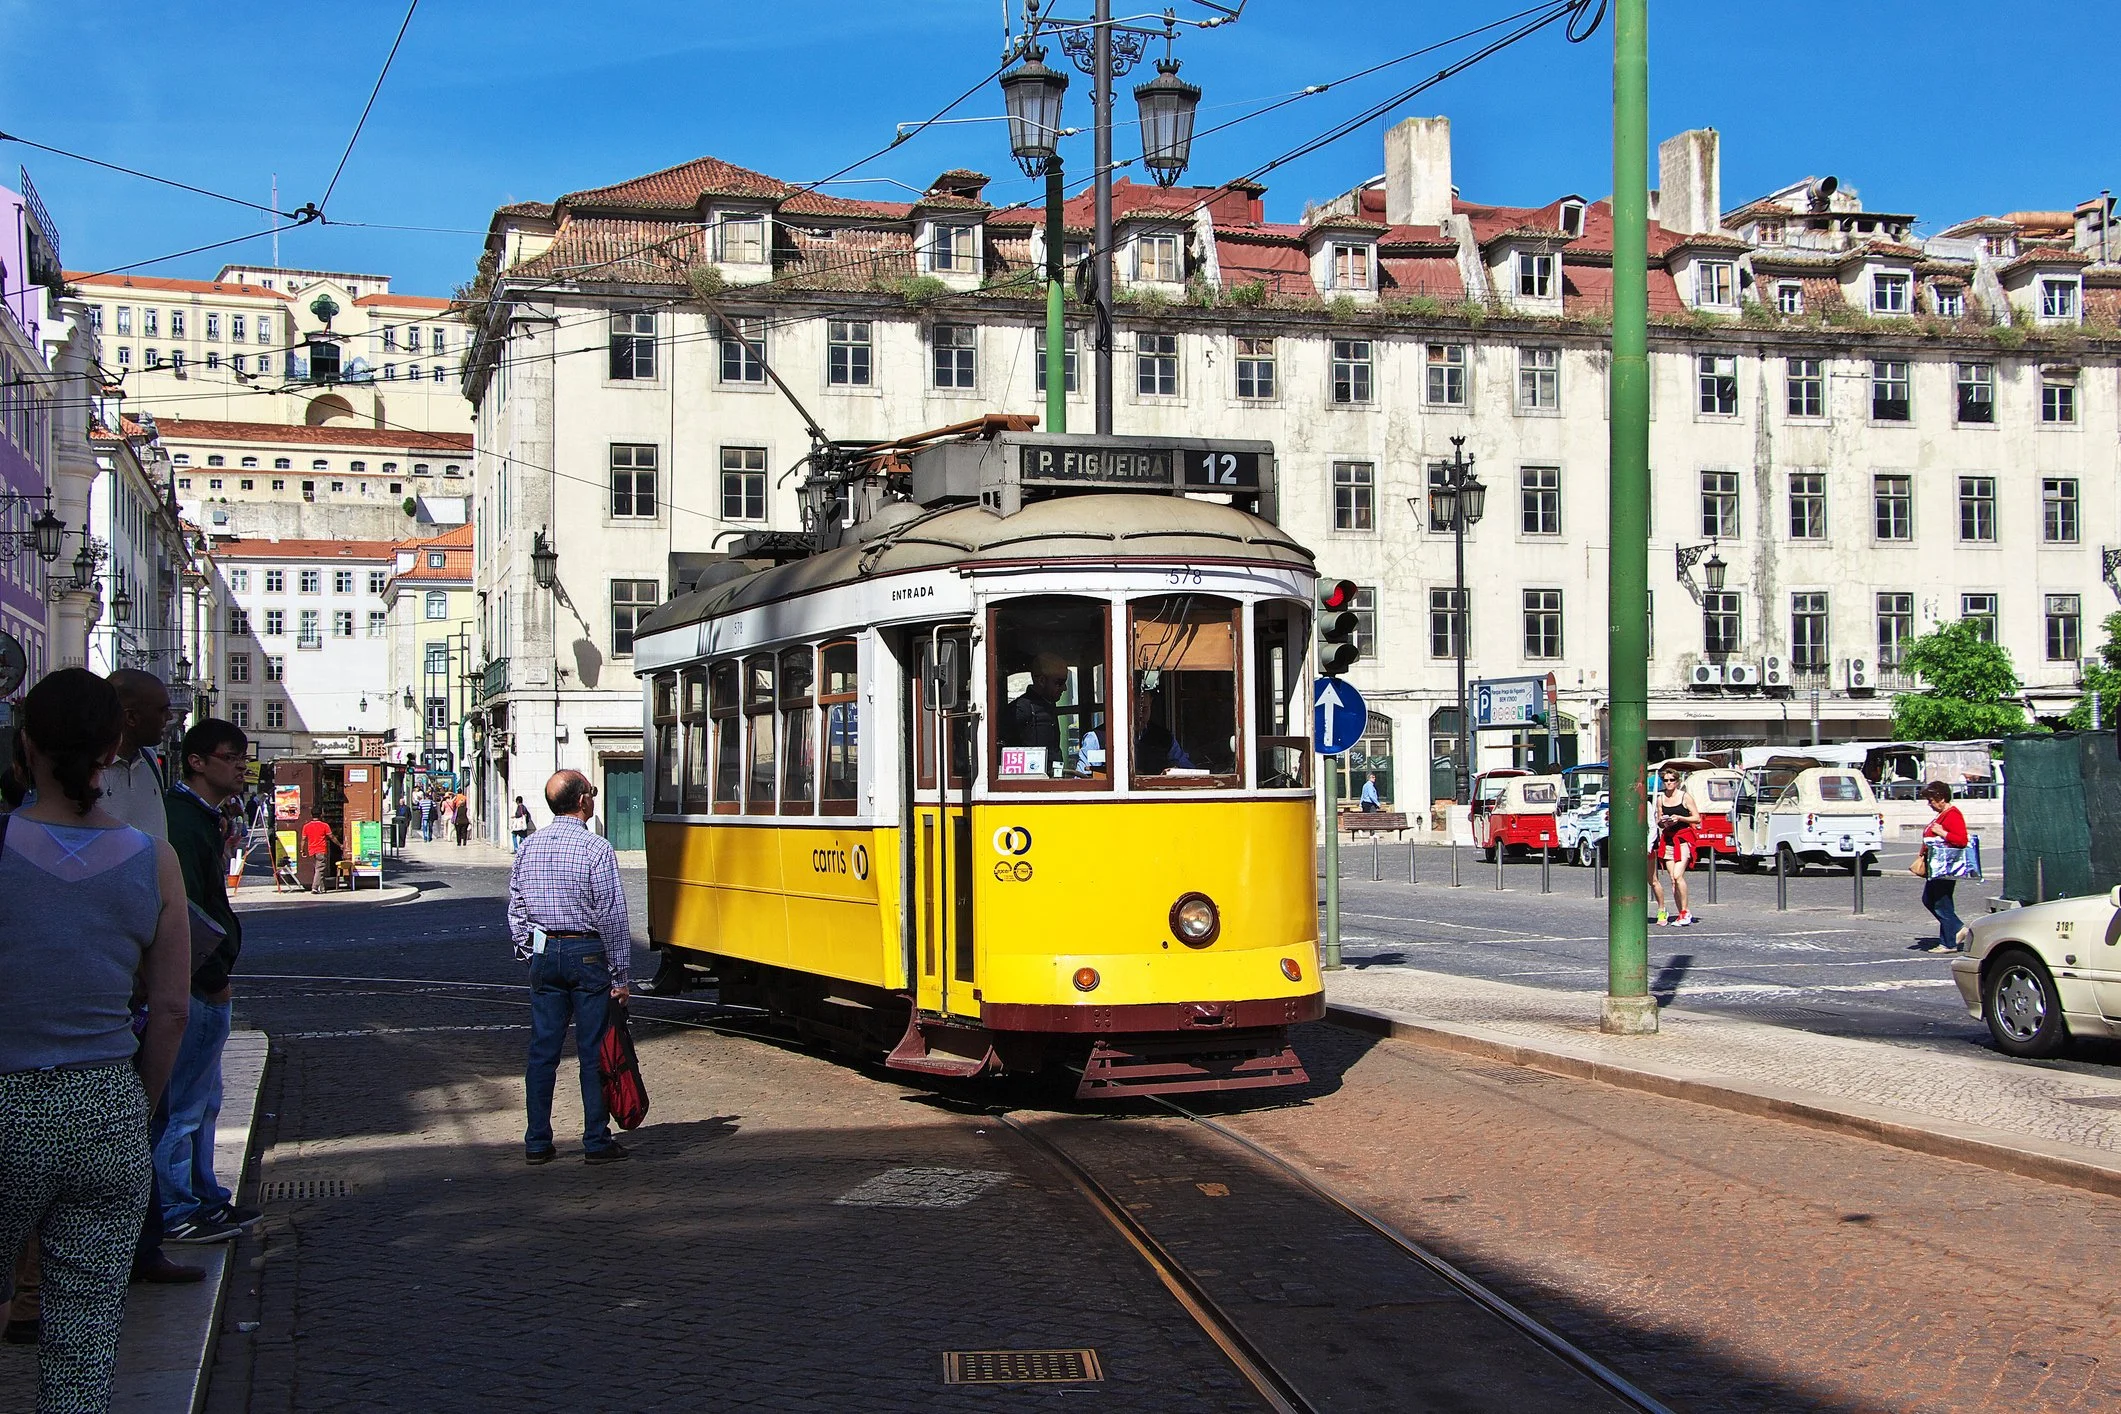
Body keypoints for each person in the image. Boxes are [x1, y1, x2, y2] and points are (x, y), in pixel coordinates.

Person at [0, 668, 190, 1407]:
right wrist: (132, 1105)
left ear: (28, 745)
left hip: (8, 1096)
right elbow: (169, 1010)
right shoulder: (155, 860)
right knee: (82, 1342)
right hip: (105, 1104)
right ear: (115, 749)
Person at [158, 718, 262, 1245]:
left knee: (205, 1100)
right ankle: (178, 1209)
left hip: (204, 980)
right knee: (185, 1104)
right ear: (197, 762)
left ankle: (206, 1198)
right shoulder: (183, 821)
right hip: (196, 984)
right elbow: (188, 909)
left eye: (243, 756)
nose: (241, 765)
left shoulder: (203, 818)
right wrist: (211, 975)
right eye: (230, 756)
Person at [507, 770, 631, 1166]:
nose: (593, 799)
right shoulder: (596, 849)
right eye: (591, 793)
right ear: (582, 801)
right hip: (587, 953)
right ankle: (595, 1140)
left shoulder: (528, 847)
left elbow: (516, 910)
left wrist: (532, 950)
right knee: (593, 1050)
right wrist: (620, 976)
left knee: (542, 1052)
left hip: (545, 954)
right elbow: (612, 916)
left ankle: (537, 1141)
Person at [98, 668, 173, 840]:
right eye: (162, 710)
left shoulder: (150, 759)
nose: (169, 717)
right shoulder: (88, 769)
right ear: (131, 717)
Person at [1916, 781, 1971, 952]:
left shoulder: (1952, 814)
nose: (1929, 804)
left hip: (1945, 867)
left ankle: (1952, 937)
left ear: (1941, 798)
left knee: (1940, 902)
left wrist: (1943, 833)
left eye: (1931, 800)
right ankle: (1950, 937)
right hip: (1937, 865)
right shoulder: (1942, 814)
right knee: (1933, 900)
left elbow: (1961, 840)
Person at [1648, 765, 1702, 927]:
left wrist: (1680, 818)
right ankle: (1681, 913)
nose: (1669, 783)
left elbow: (1696, 818)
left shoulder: (1685, 797)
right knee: (1673, 879)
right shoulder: (1660, 798)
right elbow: (1658, 820)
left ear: (1678, 782)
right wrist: (1664, 822)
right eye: (1665, 781)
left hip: (1684, 838)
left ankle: (1685, 911)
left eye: (1672, 780)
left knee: (1678, 875)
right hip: (1669, 839)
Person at [998, 652, 1068, 765]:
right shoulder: (1021, 709)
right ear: (1041, 681)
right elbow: (991, 739)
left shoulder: (1048, 705)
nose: (1064, 688)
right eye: (1059, 683)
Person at [300, 812, 341, 893]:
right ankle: (314, 888)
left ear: (311, 815)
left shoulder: (306, 826)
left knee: (318, 869)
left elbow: (303, 839)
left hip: (311, 850)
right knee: (320, 869)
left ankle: (322, 888)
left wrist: (302, 850)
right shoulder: (324, 825)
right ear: (321, 815)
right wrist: (340, 845)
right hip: (321, 850)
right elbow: (331, 836)